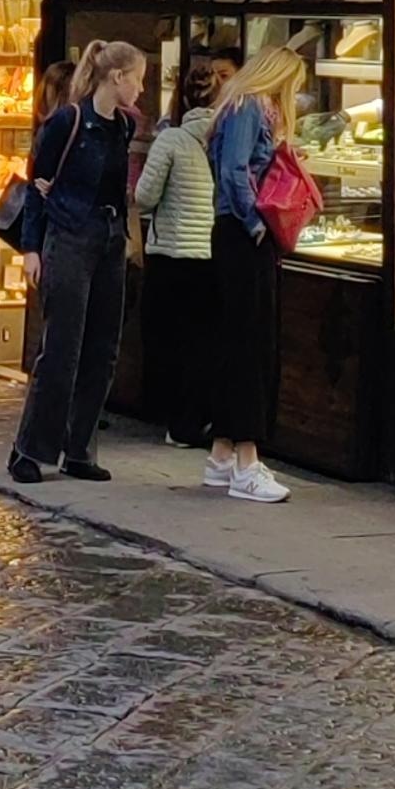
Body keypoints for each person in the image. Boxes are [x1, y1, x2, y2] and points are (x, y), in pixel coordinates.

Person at [8, 39, 147, 490]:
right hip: (69, 235)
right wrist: (31, 248)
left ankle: (79, 447)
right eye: (139, 79)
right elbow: (38, 186)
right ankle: (30, 449)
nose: (142, 89)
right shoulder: (68, 122)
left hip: (108, 239)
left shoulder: (122, 127)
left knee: (103, 347)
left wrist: (125, 239)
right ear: (117, 78)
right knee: (62, 348)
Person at [206, 41, 304, 503]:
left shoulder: (234, 106)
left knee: (234, 342)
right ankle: (247, 460)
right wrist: (255, 224)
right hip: (245, 235)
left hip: (232, 234)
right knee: (251, 344)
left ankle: (222, 453)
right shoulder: (251, 107)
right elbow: (233, 170)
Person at [135, 53, 222, 472]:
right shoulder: (224, 137)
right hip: (209, 252)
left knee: (171, 341)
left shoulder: (171, 140)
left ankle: (175, 421)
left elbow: (144, 196)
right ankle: (198, 418)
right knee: (203, 341)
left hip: (170, 253)